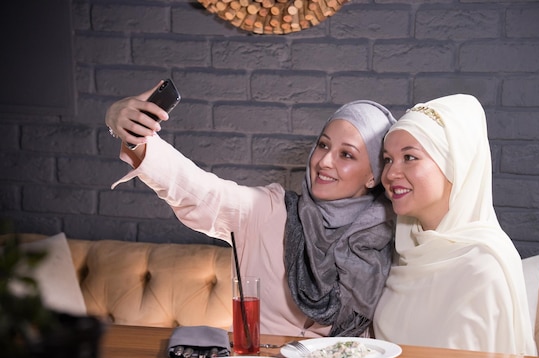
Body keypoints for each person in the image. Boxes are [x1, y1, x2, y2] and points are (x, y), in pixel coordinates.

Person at [106, 82, 396, 337]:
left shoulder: (391, 240)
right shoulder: (267, 211)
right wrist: (129, 129)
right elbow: (196, 189)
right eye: (322, 145)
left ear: (374, 174)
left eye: (346, 154)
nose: (324, 162)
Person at [373, 94, 537, 355]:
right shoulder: (404, 250)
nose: (390, 174)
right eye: (388, 159)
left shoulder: (484, 265)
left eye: (410, 157)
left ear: (455, 166)